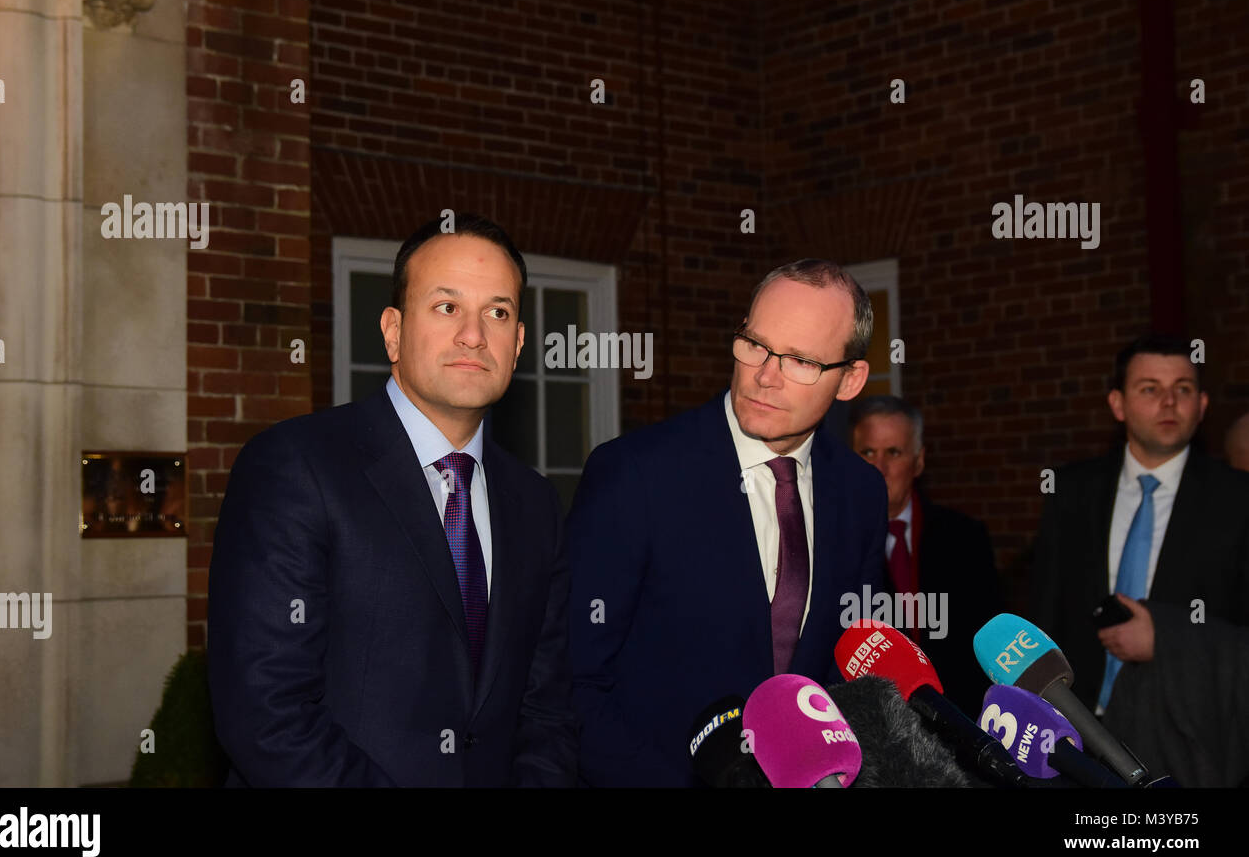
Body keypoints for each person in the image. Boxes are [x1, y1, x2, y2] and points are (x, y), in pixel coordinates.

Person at [208, 214, 576, 786]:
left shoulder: (536, 504)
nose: (474, 335)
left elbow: (547, 707)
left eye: (497, 312)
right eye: (447, 307)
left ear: (519, 342)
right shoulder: (295, 467)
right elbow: (267, 715)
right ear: (392, 331)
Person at [566, 259, 887, 786]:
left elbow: (849, 670)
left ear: (850, 380)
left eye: (801, 360)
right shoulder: (637, 473)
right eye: (754, 344)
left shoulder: (861, 491)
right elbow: (573, 681)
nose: (764, 374)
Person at [1030, 334, 1249, 785]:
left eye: (1183, 389)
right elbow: (1044, 609)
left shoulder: (1238, 500)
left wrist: (1166, 637)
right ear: (1118, 403)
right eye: (1150, 388)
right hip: (1074, 735)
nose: (1169, 402)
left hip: (1188, 738)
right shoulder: (1072, 492)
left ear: (1203, 404)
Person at [848, 395, 1001, 719]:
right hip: (870, 727)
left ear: (918, 462)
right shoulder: (832, 543)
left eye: (894, 452)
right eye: (868, 452)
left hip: (960, 723)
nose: (880, 467)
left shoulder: (965, 538)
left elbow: (989, 645)